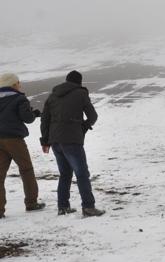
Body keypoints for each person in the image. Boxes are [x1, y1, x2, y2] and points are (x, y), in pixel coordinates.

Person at [40, 71, 105, 217]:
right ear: (79, 82)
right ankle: (88, 207)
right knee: (82, 173)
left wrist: (45, 141)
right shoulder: (81, 94)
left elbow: (44, 120)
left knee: (65, 174)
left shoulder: (52, 96)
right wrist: (83, 127)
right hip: (72, 140)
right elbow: (93, 116)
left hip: (55, 140)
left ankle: (63, 207)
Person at [0, 73, 46, 219]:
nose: (20, 84)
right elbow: (27, 119)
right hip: (14, 139)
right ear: (13, 84)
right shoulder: (19, 98)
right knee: (26, 170)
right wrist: (34, 113)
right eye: (18, 82)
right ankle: (31, 203)